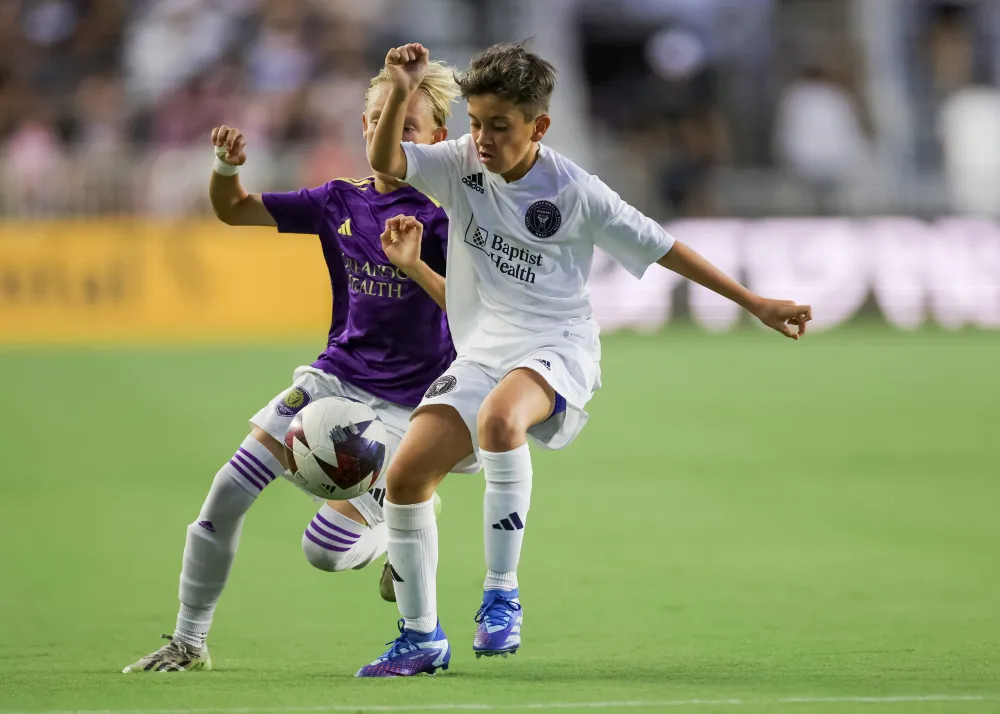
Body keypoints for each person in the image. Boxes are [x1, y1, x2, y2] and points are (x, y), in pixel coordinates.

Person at [355, 41, 812, 678]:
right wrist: (403, 89)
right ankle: (419, 636)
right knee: (406, 478)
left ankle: (501, 594)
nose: (482, 139)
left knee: (500, 420)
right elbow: (386, 160)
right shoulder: (459, 162)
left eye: (499, 126)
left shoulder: (575, 191)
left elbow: (665, 247)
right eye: (476, 123)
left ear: (539, 126)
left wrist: (754, 302)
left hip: (556, 344)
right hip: (483, 349)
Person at [122, 61, 478, 673]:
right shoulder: (337, 199)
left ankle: (399, 524)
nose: (391, 136)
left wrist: (416, 266)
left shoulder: (453, 217)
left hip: (411, 407)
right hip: (333, 379)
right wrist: (226, 167)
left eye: (407, 126)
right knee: (226, 491)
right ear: (364, 127)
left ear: (437, 138)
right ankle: (188, 641)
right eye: (380, 121)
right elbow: (234, 210)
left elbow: (473, 315)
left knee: (325, 550)